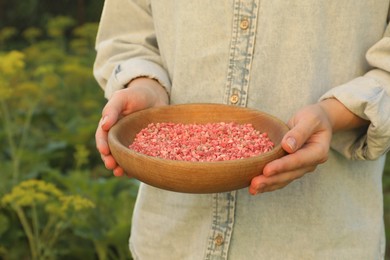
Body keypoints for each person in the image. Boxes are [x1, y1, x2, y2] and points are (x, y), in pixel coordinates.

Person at [93, 1, 390, 259]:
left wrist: (332, 114)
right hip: (172, 240)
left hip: (318, 240)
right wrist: (145, 85)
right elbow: (126, 35)